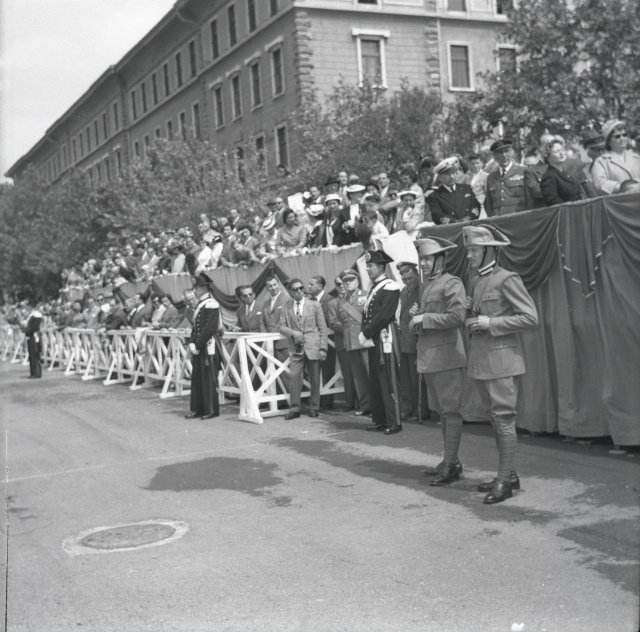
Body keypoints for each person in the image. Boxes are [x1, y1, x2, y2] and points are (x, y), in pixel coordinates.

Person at [463, 224, 538, 504]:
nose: (469, 255)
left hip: (503, 362)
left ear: (489, 251)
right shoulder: (476, 281)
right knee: (496, 420)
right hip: (482, 361)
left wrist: (491, 322)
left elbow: (530, 317)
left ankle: (504, 481)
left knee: (504, 420)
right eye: (468, 250)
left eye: (474, 250)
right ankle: (509, 473)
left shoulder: (507, 279)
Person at [410, 238, 467, 485]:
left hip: (446, 357)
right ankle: (450, 460)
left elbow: (457, 317)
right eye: (421, 259)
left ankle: (451, 465)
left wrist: (424, 318)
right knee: (443, 413)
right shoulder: (427, 286)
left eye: (427, 259)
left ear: (440, 260)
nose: (422, 264)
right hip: (430, 357)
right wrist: (417, 318)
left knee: (451, 412)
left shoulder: (452, 282)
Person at [360, 250, 402, 435]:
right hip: (374, 337)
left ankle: (394, 421)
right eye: (367, 266)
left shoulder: (390, 287)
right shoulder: (373, 287)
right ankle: (380, 419)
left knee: (388, 379)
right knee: (376, 380)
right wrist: (366, 332)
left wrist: (367, 332)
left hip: (385, 336)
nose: (368, 269)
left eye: (371, 266)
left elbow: (385, 315)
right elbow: (367, 314)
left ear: (381, 267)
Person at [278, 278, 329, 419]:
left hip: (313, 346)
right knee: (295, 377)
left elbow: (323, 328)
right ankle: (295, 408)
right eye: (295, 289)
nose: (299, 291)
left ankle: (314, 407)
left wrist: (323, 348)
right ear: (290, 291)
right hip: (296, 348)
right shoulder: (286, 307)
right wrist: (293, 333)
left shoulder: (315, 305)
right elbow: (281, 326)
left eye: (301, 288)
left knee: (315, 378)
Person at [331, 269, 371, 416]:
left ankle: (378, 405)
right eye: (345, 280)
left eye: (351, 280)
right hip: (350, 342)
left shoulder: (366, 295)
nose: (348, 283)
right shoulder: (341, 302)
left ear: (357, 281)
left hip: (365, 340)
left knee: (371, 374)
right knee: (358, 377)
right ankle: (366, 405)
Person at [185, 274, 221, 420]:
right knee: (197, 378)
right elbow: (196, 327)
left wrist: (198, 344)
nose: (195, 291)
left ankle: (211, 409)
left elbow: (209, 328)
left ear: (204, 288)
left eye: (197, 288)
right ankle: (197, 408)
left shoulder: (211, 304)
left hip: (209, 347)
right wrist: (192, 342)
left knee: (209, 379)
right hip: (200, 346)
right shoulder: (201, 304)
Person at [325, 275, 357, 412]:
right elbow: (333, 323)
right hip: (344, 342)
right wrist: (351, 330)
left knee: (362, 373)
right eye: (338, 284)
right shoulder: (332, 303)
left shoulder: (357, 298)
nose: (342, 286)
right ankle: (350, 402)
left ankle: (366, 403)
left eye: (344, 283)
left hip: (360, 341)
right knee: (348, 374)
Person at [395, 262, 422, 422]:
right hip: (403, 340)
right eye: (404, 279)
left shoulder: (422, 291)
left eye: (410, 277)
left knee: (416, 379)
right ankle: (407, 408)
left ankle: (420, 409)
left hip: (415, 339)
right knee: (405, 378)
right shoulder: (404, 292)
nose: (407, 281)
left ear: (417, 275)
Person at [591, 119, 640, 195]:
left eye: (624, 135)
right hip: (619, 201)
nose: (622, 139)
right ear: (608, 141)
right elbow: (599, 184)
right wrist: (622, 187)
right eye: (617, 136)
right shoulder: (601, 161)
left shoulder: (637, 156)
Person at [308, 275, 335, 410]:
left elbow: (330, 322)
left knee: (328, 370)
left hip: (328, 341)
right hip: (312, 342)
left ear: (320, 286)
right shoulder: (309, 301)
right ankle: (317, 400)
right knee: (314, 371)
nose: (308, 287)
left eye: (311, 284)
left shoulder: (329, 300)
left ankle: (327, 402)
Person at [261, 275, 292, 392]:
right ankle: (280, 399)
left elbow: (283, 322)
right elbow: (262, 322)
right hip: (270, 343)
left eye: (275, 285)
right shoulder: (265, 303)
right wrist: (265, 336)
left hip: (282, 342)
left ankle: (292, 398)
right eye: (270, 286)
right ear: (266, 288)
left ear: (279, 285)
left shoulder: (287, 300)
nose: (273, 288)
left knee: (286, 372)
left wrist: (270, 336)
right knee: (273, 372)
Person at [429, 158, 481, 225]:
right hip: (451, 229)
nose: (452, 177)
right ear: (440, 178)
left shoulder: (466, 188)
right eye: (447, 174)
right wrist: (456, 223)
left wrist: (467, 219)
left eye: (453, 173)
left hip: (470, 225)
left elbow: (476, 207)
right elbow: (438, 215)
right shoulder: (435, 195)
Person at [484, 138, 527, 216]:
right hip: (498, 219)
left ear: (511, 153)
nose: (504, 155)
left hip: (519, 217)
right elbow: (488, 203)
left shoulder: (523, 171)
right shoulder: (491, 177)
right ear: (495, 157)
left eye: (506, 151)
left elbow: (530, 198)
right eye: (500, 152)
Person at [540, 139, 588, 206]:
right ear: (548, 157)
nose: (561, 153)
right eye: (556, 151)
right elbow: (552, 201)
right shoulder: (549, 177)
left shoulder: (566, 174)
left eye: (562, 150)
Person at [24, 304, 43, 378]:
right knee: (32, 354)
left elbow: (33, 327)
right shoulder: (32, 315)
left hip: (34, 336)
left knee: (35, 354)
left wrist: (27, 331)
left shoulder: (36, 315)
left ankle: (36, 373)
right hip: (32, 335)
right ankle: (34, 372)